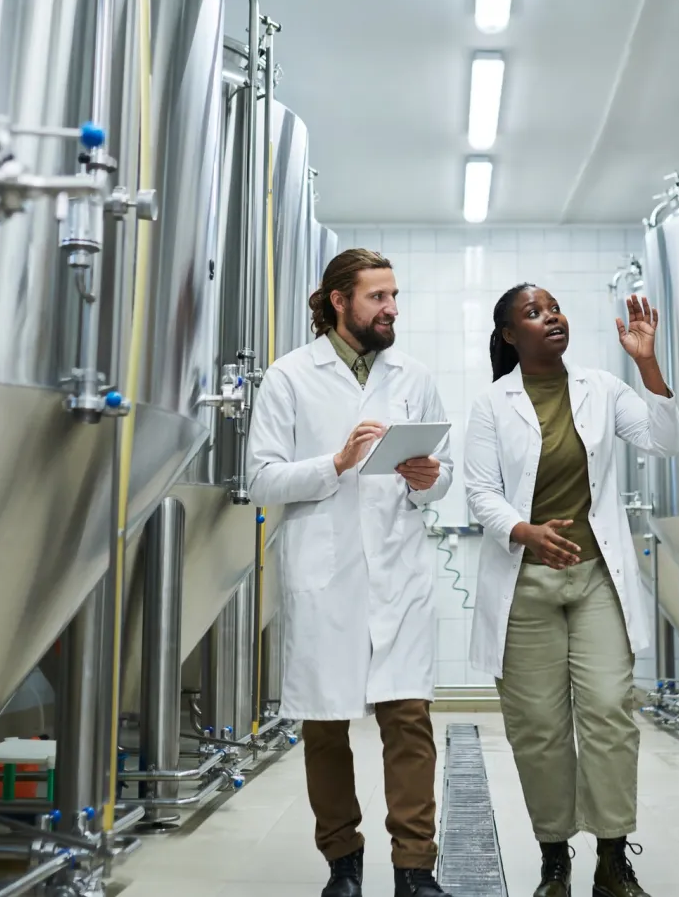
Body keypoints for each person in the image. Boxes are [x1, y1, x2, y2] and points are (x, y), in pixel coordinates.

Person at [245, 248, 455, 897]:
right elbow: (259, 479)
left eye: (395, 296)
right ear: (340, 301)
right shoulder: (288, 377)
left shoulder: (413, 376)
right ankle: (343, 864)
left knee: (409, 721)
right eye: (378, 298)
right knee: (325, 726)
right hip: (325, 570)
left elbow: (437, 478)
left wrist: (429, 479)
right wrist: (335, 463)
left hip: (397, 570)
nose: (392, 309)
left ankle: (415, 871)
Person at [463, 284, 679, 897]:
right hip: (524, 584)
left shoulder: (603, 388)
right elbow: (480, 495)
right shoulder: (491, 404)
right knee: (538, 726)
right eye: (533, 313)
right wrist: (525, 531)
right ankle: (554, 858)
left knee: (610, 710)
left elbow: (665, 441)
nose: (550, 316)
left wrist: (645, 363)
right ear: (509, 335)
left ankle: (613, 858)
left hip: (596, 580)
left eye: (554, 306)